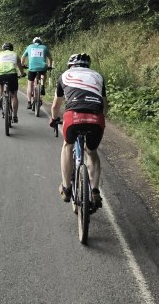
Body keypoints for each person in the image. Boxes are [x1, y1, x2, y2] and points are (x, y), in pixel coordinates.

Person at [49, 53, 108, 209]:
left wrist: (54, 119)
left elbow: (56, 106)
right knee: (92, 151)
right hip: (96, 117)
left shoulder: (64, 76)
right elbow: (104, 105)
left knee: (67, 145)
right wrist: (101, 121)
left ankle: (67, 187)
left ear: (71, 66)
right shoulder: (98, 76)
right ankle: (95, 191)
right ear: (88, 66)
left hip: (73, 116)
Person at [0, 43, 25, 121]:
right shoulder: (15, 54)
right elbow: (20, 66)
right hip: (12, 75)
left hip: (1, 74)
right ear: (11, 48)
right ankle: (15, 116)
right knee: (14, 96)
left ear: (3, 49)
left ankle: (0, 97)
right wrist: (22, 74)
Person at [21, 36, 53, 109]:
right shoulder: (44, 47)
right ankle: (42, 85)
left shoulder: (29, 47)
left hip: (32, 68)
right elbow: (50, 59)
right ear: (41, 42)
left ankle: (29, 102)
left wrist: (23, 65)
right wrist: (50, 66)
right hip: (42, 67)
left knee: (30, 85)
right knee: (44, 73)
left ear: (33, 42)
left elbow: (23, 57)